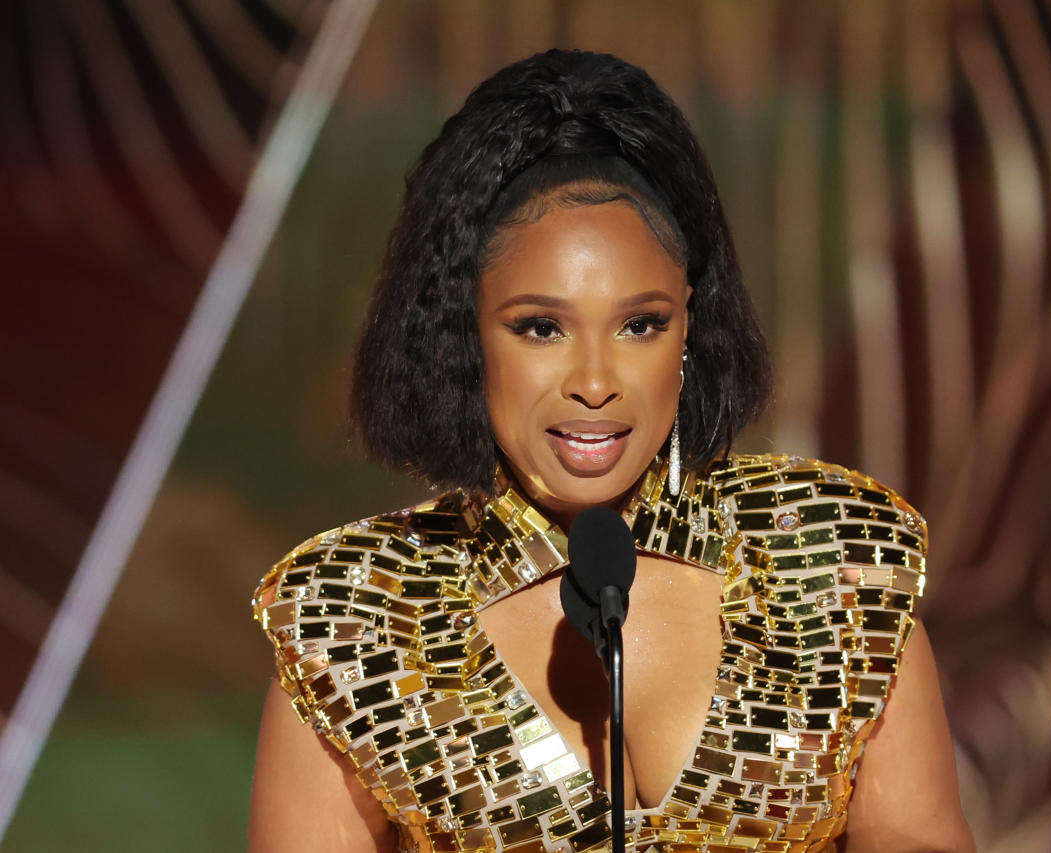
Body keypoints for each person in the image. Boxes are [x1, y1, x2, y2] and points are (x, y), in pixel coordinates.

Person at [249, 49, 974, 853]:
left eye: (640, 324)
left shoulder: (830, 565)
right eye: (540, 327)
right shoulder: (359, 624)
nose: (595, 382)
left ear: (691, 327)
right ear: (467, 337)